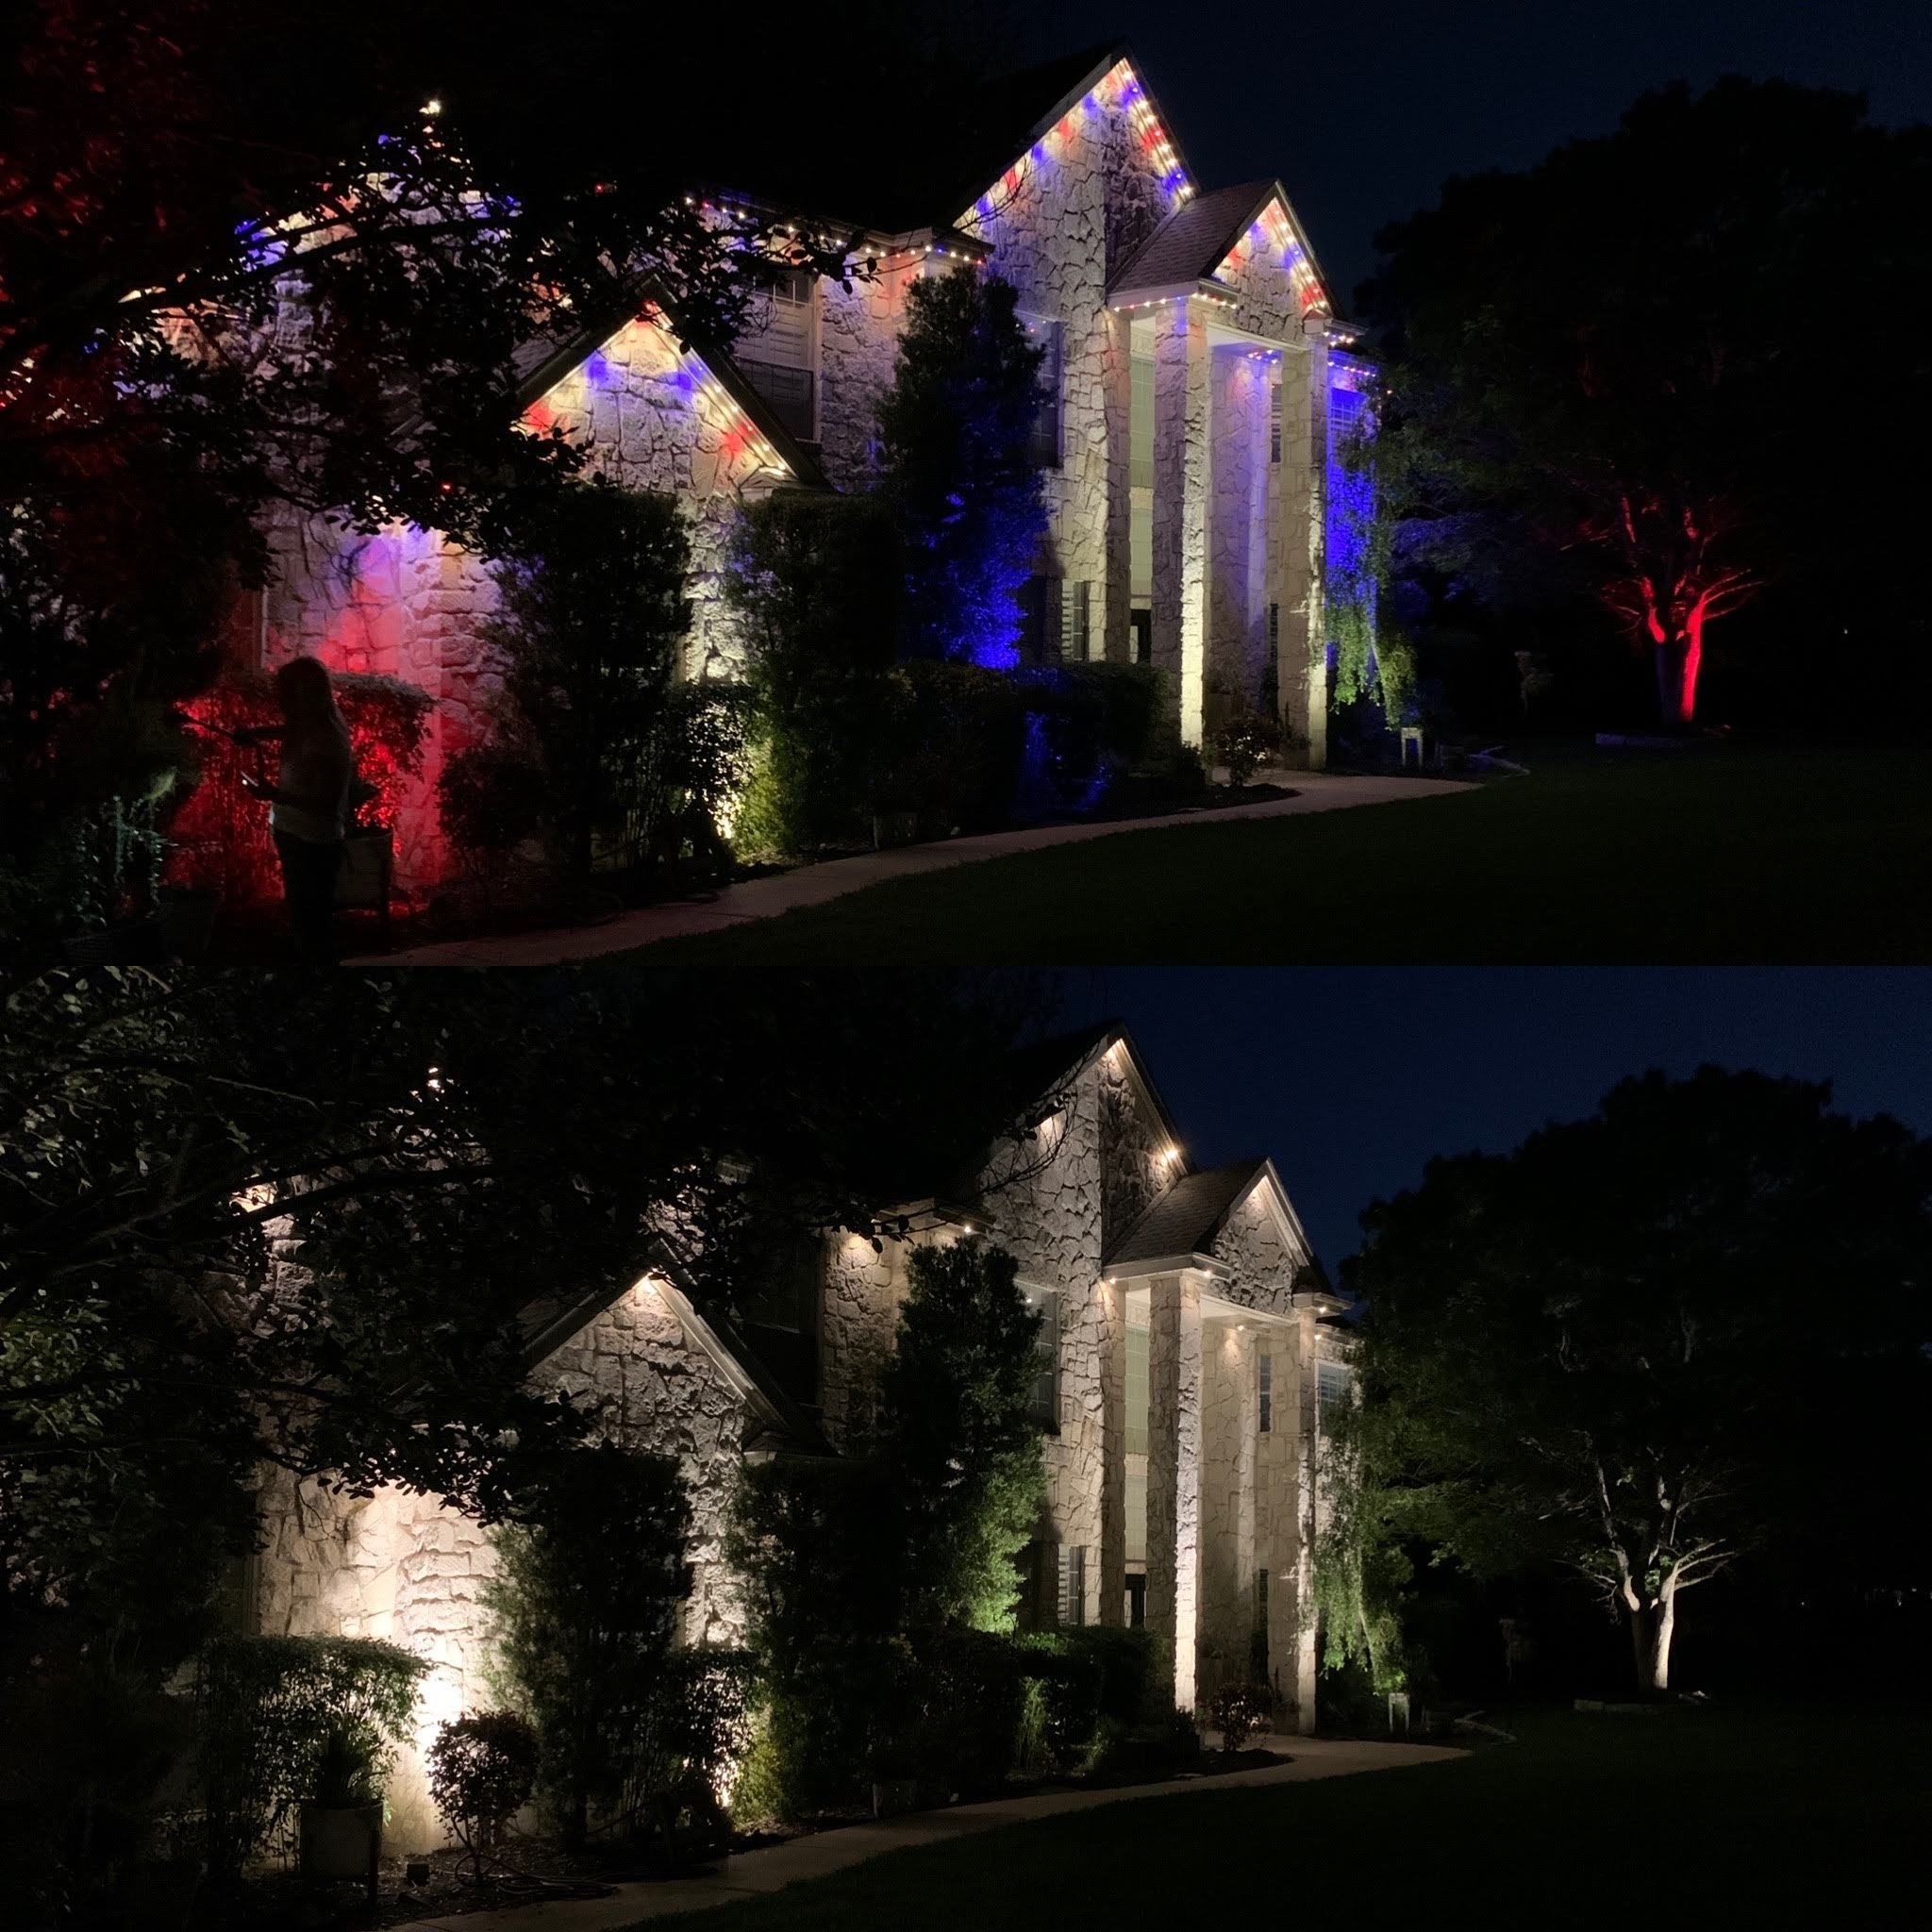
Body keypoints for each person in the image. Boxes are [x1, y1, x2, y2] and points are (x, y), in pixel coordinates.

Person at [240, 658, 354, 963]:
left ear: (304, 693)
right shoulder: (311, 725)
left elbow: (325, 804)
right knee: (304, 921)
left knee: (312, 928)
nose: (279, 698)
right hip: (296, 836)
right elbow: (288, 730)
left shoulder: (326, 740)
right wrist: (256, 733)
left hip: (312, 843)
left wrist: (274, 795)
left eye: (286, 691)